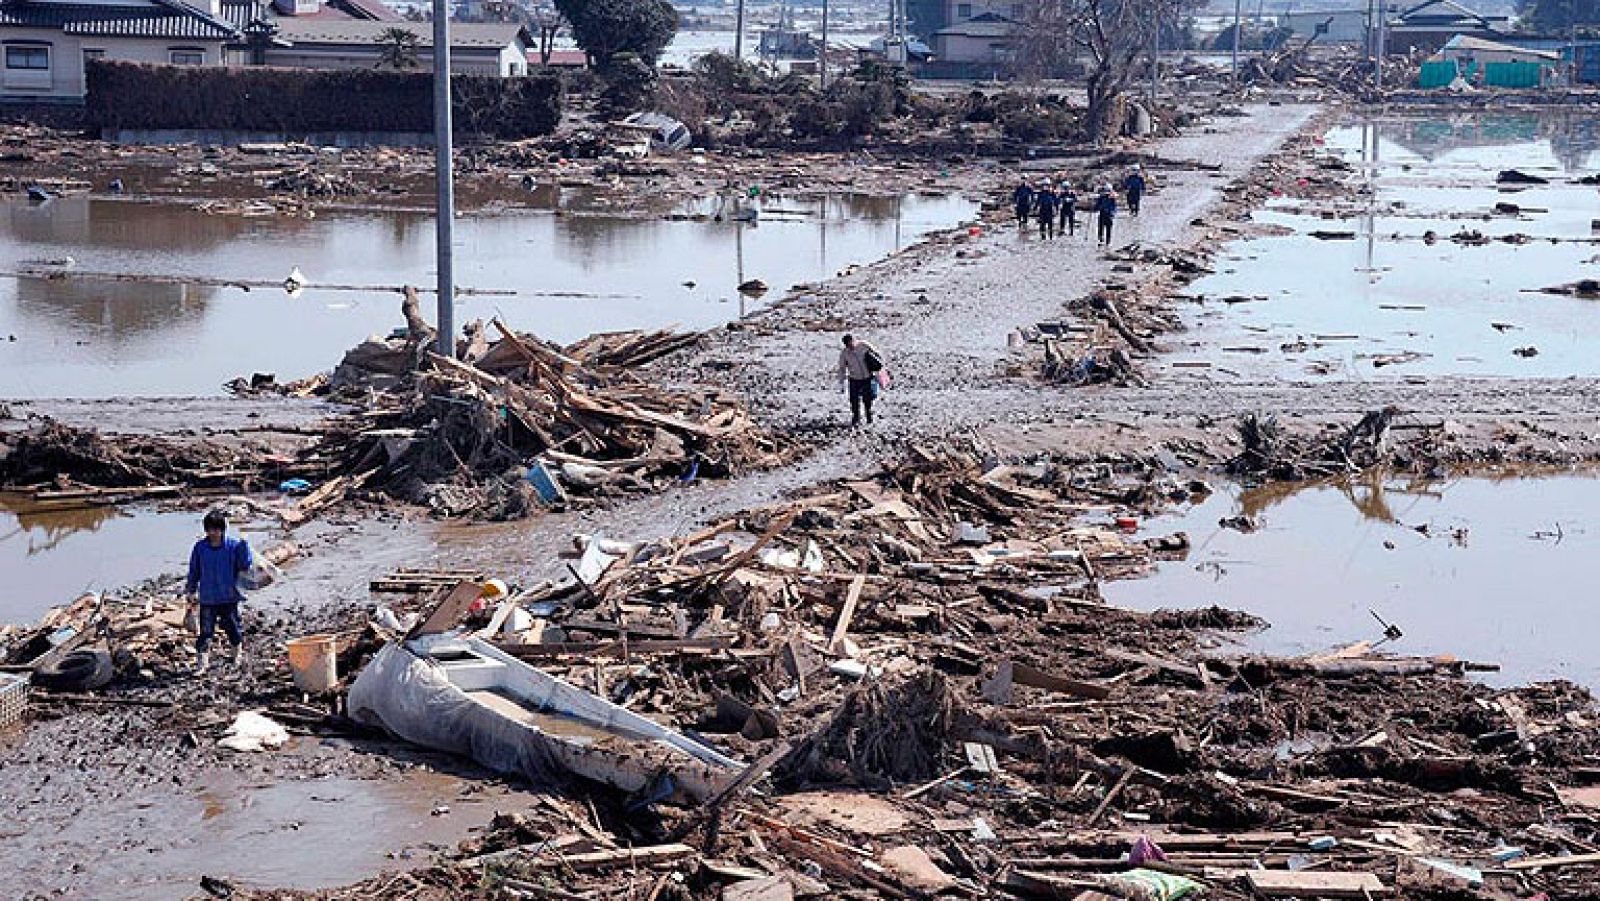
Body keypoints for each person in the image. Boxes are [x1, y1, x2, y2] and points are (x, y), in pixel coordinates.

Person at [186, 509, 253, 673]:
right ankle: (202, 664)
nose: (214, 533)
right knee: (206, 632)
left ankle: (237, 654)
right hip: (208, 598)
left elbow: (244, 565)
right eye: (210, 529)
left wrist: (244, 543)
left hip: (228, 597)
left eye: (217, 529)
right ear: (206, 530)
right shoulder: (200, 548)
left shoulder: (233, 546)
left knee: (232, 628)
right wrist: (191, 590)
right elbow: (194, 570)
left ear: (223, 529)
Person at [837, 333, 884, 426]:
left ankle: (869, 416)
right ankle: (856, 418)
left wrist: (878, 367)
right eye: (848, 345)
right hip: (854, 379)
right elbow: (842, 368)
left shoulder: (863, 345)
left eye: (851, 343)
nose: (850, 346)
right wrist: (841, 382)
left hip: (867, 378)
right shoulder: (844, 353)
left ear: (853, 340)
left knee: (868, 399)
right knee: (854, 400)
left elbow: (877, 354)